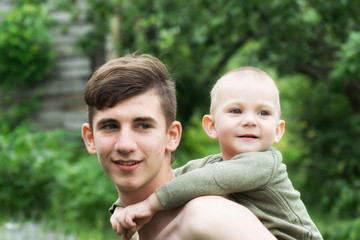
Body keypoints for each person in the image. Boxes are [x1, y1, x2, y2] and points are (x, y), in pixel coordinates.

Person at [111, 66, 323, 240]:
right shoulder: (214, 165)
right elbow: (176, 177)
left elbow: (204, 180)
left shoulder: (265, 164)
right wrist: (121, 208)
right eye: (236, 111)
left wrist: (150, 205)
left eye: (263, 113)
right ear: (211, 126)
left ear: (278, 131)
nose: (250, 121)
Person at [81, 54, 276, 240]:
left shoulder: (205, 217)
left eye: (143, 126)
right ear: (90, 139)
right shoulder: (140, 227)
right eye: (110, 126)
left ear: (172, 136)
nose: (125, 145)